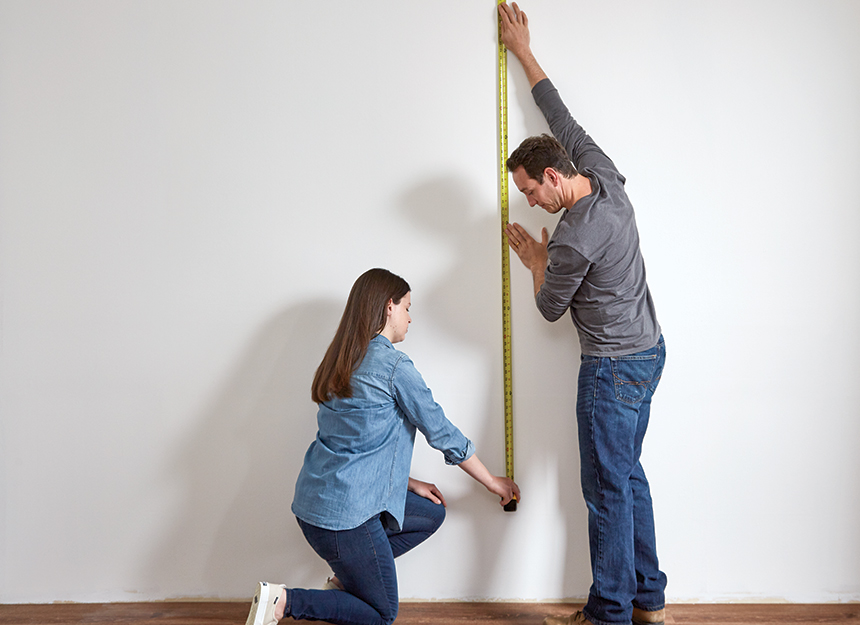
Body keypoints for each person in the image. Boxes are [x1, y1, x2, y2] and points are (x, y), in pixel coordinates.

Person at [498, 4, 667, 625]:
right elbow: (560, 115)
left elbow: (547, 309)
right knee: (630, 479)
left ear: (550, 177)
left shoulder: (568, 238)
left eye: (530, 192)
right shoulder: (603, 174)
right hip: (650, 353)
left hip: (612, 373)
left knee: (604, 493)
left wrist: (537, 260)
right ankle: (649, 600)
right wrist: (523, 51)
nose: (532, 202)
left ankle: (609, 613)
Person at [245, 268, 520, 625]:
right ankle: (283, 601)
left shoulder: (339, 360)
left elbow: (355, 446)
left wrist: (408, 482)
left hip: (313, 506)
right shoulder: (393, 367)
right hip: (345, 519)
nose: (410, 317)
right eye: (407, 307)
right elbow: (442, 432)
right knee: (381, 612)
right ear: (389, 307)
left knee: (430, 512)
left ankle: (350, 579)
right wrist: (492, 482)